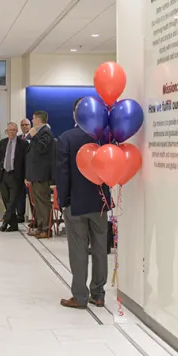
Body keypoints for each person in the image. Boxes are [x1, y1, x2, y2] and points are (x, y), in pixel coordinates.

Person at [55, 120, 113, 308]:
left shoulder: (66, 138)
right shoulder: (104, 138)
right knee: (100, 249)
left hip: (76, 203)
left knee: (78, 250)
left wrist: (63, 201)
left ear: (75, 115)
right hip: (100, 203)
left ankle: (80, 296)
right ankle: (98, 294)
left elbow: (62, 173)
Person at [25, 110, 56, 239]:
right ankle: (40, 226)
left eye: (33, 119)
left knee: (43, 202)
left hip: (42, 174)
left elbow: (41, 148)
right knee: (37, 202)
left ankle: (46, 228)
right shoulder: (39, 133)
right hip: (35, 174)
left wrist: (34, 136)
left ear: (38, 120)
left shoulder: (45, 132)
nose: (32, 121)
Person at [0, 121, 29, 232]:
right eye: (9, 130)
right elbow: (0, 158)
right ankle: (13, 225)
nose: (11, 132)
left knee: (12, 201)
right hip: (4, 174)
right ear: (7, 131)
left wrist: (25, 176)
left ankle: (5, 221)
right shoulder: (2, 142)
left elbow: (26, 162)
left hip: (16, 176)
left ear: (16, 131)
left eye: (13, 130)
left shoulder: (23, 144)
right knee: (6, 200)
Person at [18, 119, 34, 226]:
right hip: (19, 171)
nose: (24, 127)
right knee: (20, 196)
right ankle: (20, 215)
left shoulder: (34, 137)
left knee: (33, 196)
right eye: (22, 125)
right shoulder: (18, 138)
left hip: (31, 171)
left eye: (26, 125)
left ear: (30, 125)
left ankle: (35, 217)